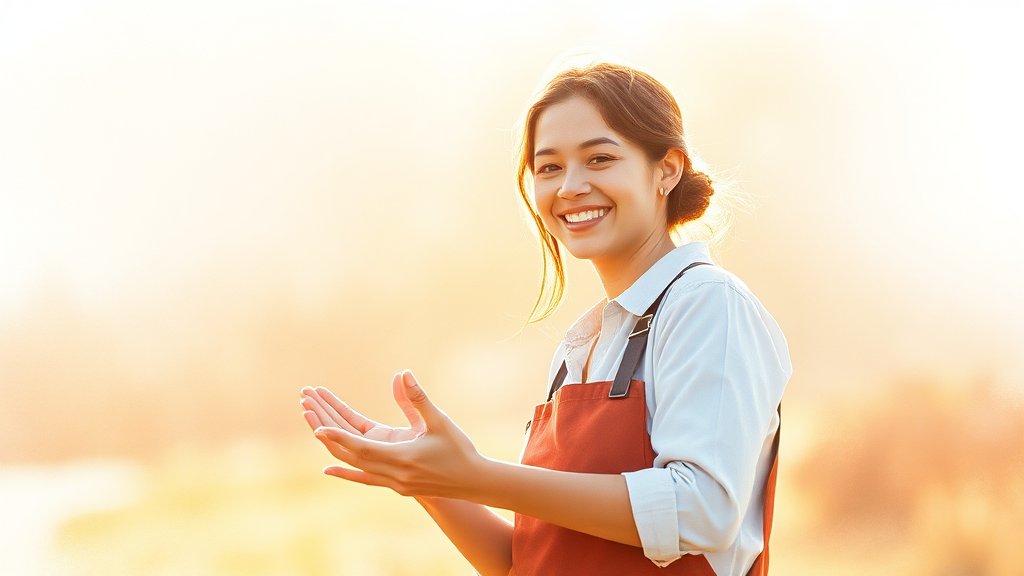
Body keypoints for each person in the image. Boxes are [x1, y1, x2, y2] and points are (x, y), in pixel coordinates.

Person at [299, 61, 791, 576]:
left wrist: (476, 476)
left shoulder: (707, 304)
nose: (570, 187)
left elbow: (699, 511)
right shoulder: (580, 348)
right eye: (549, 167)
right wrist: (432, 481)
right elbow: (531, 561)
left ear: (667, 168)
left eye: (600, 158)